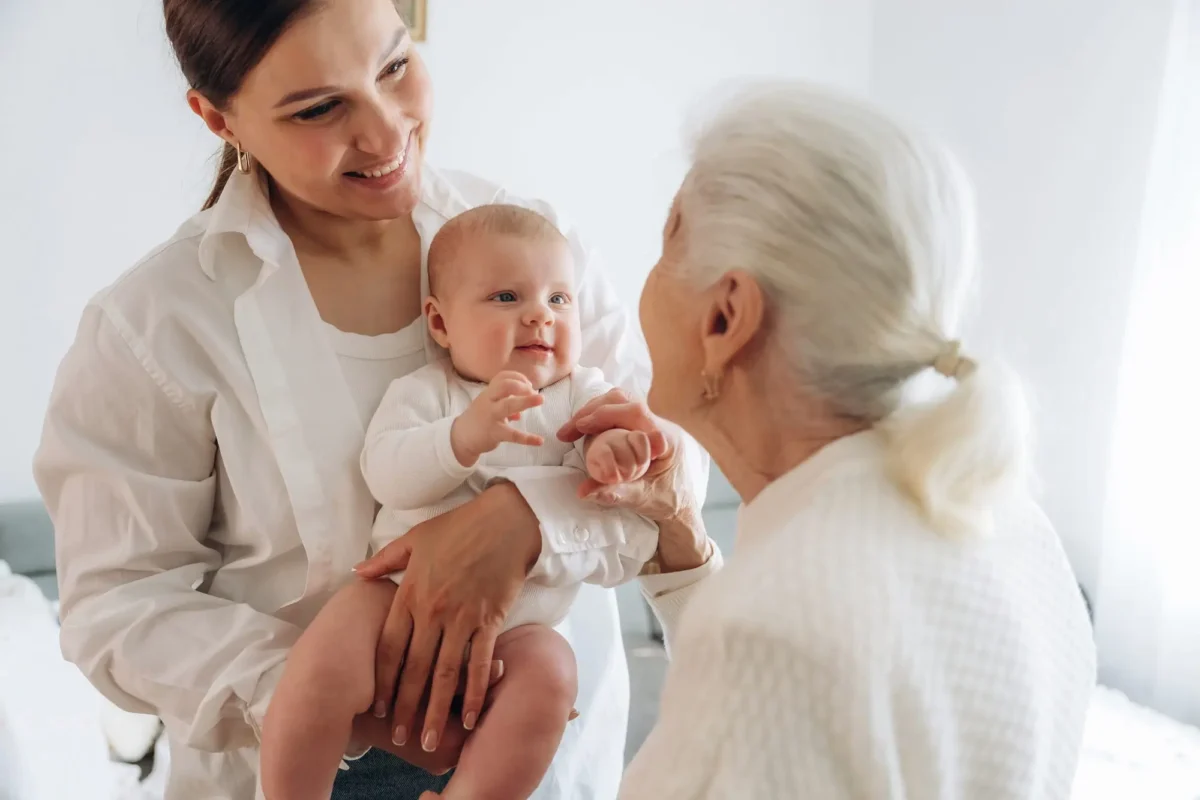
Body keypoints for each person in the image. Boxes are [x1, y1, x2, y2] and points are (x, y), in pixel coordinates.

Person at [31, 1, 714, 798]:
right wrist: (338, 690)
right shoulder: (157, 325)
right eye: (320, 108)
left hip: (538, 754)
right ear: (218, 118)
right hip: (293, 759)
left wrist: (526, 519)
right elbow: (119, 604)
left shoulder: (533, 253)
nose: (389, 136)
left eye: (394, 67)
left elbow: (672, 472)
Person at [609, 83, 1098, 798]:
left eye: (667, 239)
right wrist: (683, 559)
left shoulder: (769, 625)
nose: (645, 280)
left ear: (726, 317)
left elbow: (784, 673)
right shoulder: (1011, 521)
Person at [260, 204, 663, 800]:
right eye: (506, 298)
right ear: (441, 324)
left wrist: (616, 452)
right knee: (321, 659)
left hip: (518, 631)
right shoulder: (430, 393)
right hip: (396, 599)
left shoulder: (587, 394)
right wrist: (463, 437)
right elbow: (387, 475)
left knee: (553, 674)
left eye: (559, 299)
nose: (539, 315)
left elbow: (630, 501)